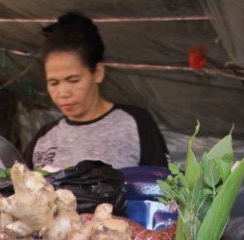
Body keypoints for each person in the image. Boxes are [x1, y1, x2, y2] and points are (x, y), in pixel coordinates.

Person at [24, 12, 168, 170]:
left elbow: (162, 185)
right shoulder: (44, 137)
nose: (63, 93)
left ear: (98, 73)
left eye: (73, 80)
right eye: (53, 83)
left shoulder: (134, 123)